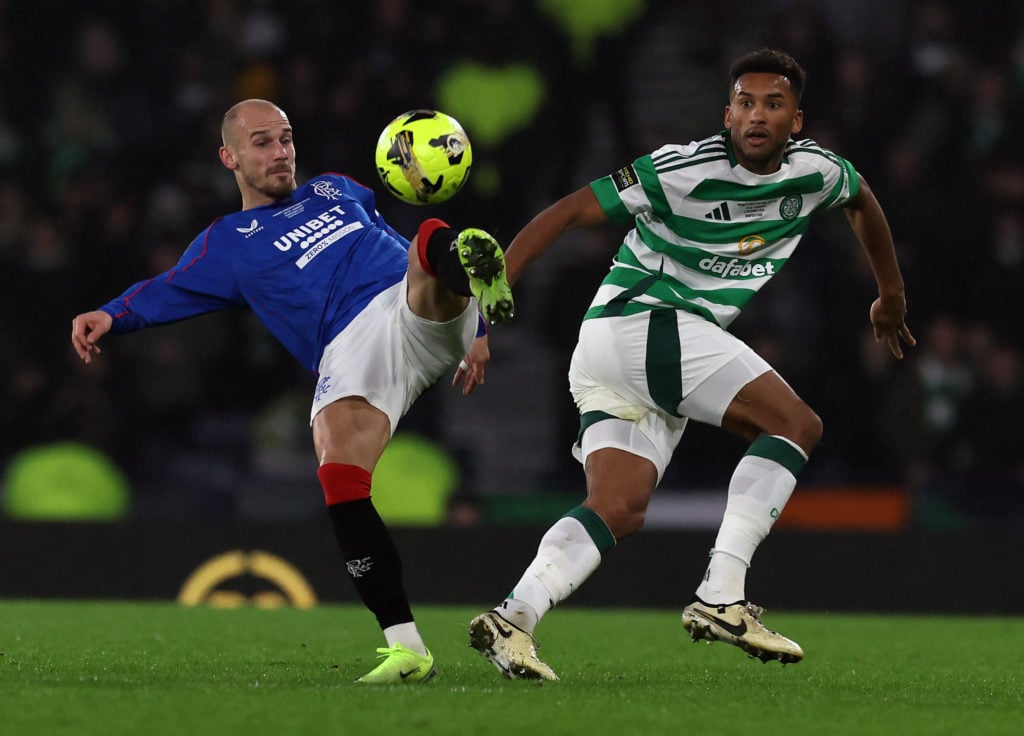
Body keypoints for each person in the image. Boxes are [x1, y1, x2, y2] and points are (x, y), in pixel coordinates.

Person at [467, 48, 915, 680]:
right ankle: (722, 596)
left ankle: (514, 618)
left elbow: (862, 199)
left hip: (619, 350)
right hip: (643, 322)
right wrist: (483, 311)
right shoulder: (680, 168)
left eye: (773, 104)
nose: (757, 114)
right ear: (727, 113)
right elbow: (567, 212)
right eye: (745, 102)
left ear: (797, 121)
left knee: (618, 507)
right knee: (796, 425)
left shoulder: (816, 171)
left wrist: (890, 295)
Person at [70, 98, 514, 684]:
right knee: (339, 477)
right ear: (229, 157)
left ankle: (476, 274)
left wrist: (478, 326)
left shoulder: (338, 189)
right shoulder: (228, 242)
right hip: (351, 350)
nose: (280, 152)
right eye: (262, 142)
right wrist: (111, 314)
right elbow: (167, 288)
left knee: (429, 235)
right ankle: (408, 651)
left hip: (409, 307)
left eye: (285, 138)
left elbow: (397, 241)